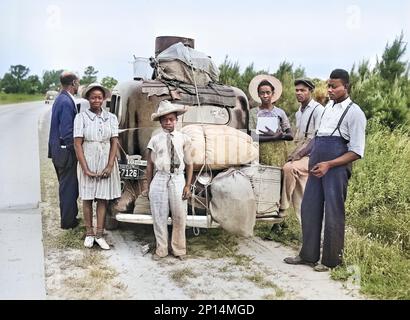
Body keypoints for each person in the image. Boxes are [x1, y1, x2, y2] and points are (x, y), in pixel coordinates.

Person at [284, 69, 367, 272]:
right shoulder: (328, 107)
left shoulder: (355, 113)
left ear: (345, 87)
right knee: (309, 208)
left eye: (334, 86)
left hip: (335, 168)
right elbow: (318, 137)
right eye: (328, 85)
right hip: (316, 164)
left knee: (333, 212)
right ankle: (308, 255)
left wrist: (329, 164)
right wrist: (301, 152)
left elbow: (356, 151)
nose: (329, 90)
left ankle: (331, 261)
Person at [73, 83, 121, 250]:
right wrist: (85, 168)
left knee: (102, 198)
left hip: (105, 159)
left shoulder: (111, 118)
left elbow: (114, 142)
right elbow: (77, 144)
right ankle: (89, 233)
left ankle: (100, 234)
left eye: (99, 97)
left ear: (104, 99)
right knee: (87, 198)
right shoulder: (81, 118)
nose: (96, 100)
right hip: (88, 158)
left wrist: (109, 165)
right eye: (93, 97)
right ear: (88, 98)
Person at [144, 100, 193, 261]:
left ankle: (179, 249)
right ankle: (161, 249)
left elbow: (189, 163)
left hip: (178, 178)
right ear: (160, 122)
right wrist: (149, 185)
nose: (168, 122)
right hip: (160, 178)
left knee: (179, 215)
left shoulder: (184, 139)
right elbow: (150, 165)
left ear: (176, 120)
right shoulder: (155, 140)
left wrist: (187, 185)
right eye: (164, 119)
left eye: (171, 119)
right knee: (159, 215)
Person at [279, 78, 324, 223]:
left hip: (314, 152)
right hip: (301, 148)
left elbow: (317, 138)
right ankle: (306, 228)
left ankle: (282, 207)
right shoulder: (299, 112)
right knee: (300, 195)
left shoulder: (318, 110)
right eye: (297, 90)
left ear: (310, 91)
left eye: (303, 90)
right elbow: (298, 137)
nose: (299, 93)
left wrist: (299, 154)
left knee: (288, 168)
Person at [48, 71, 80, 229]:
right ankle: (68, 223)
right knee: (68, 188)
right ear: (73, 83)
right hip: (65, 152)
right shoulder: (66, 102)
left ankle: (70, 218)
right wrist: (76, 150)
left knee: (67, 186)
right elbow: (67, 132)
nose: (78, 85)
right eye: (78, 82)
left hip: (57, 151)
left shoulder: (60, 98)